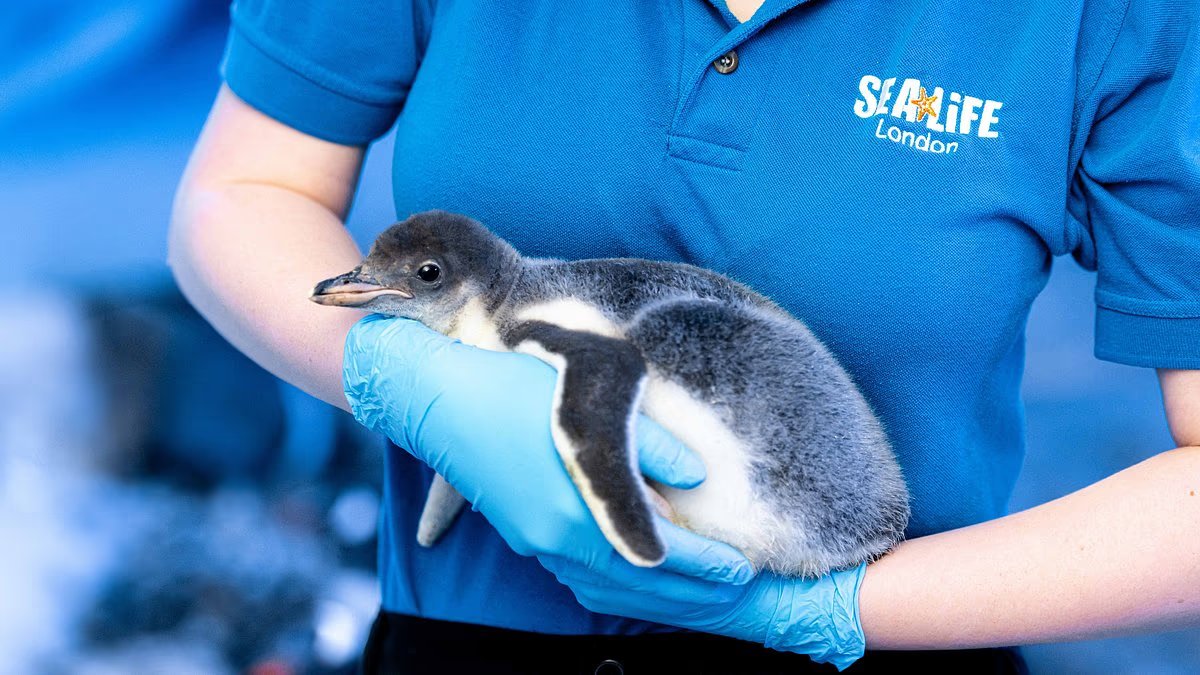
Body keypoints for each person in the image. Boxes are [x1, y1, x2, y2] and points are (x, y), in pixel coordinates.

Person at [168, 0, 1200, 672]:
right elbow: (242, 190)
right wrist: (409, 381)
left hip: (884, 650)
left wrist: (823, 611)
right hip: (460, 647)